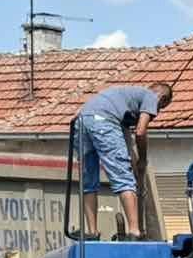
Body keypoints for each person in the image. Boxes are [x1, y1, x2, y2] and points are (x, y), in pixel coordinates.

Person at [74, 81, 173, 240]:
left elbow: (127, 144)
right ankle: (134, 231)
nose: (156, 112)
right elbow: (140, 132)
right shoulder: (151, 96)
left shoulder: (122, 104)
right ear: (162, 99)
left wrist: (136, 164)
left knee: (88, 183)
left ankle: (92, 232)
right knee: (124, 179)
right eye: (160, 108)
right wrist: (143, 160)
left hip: (82, 120)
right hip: (103, 122)